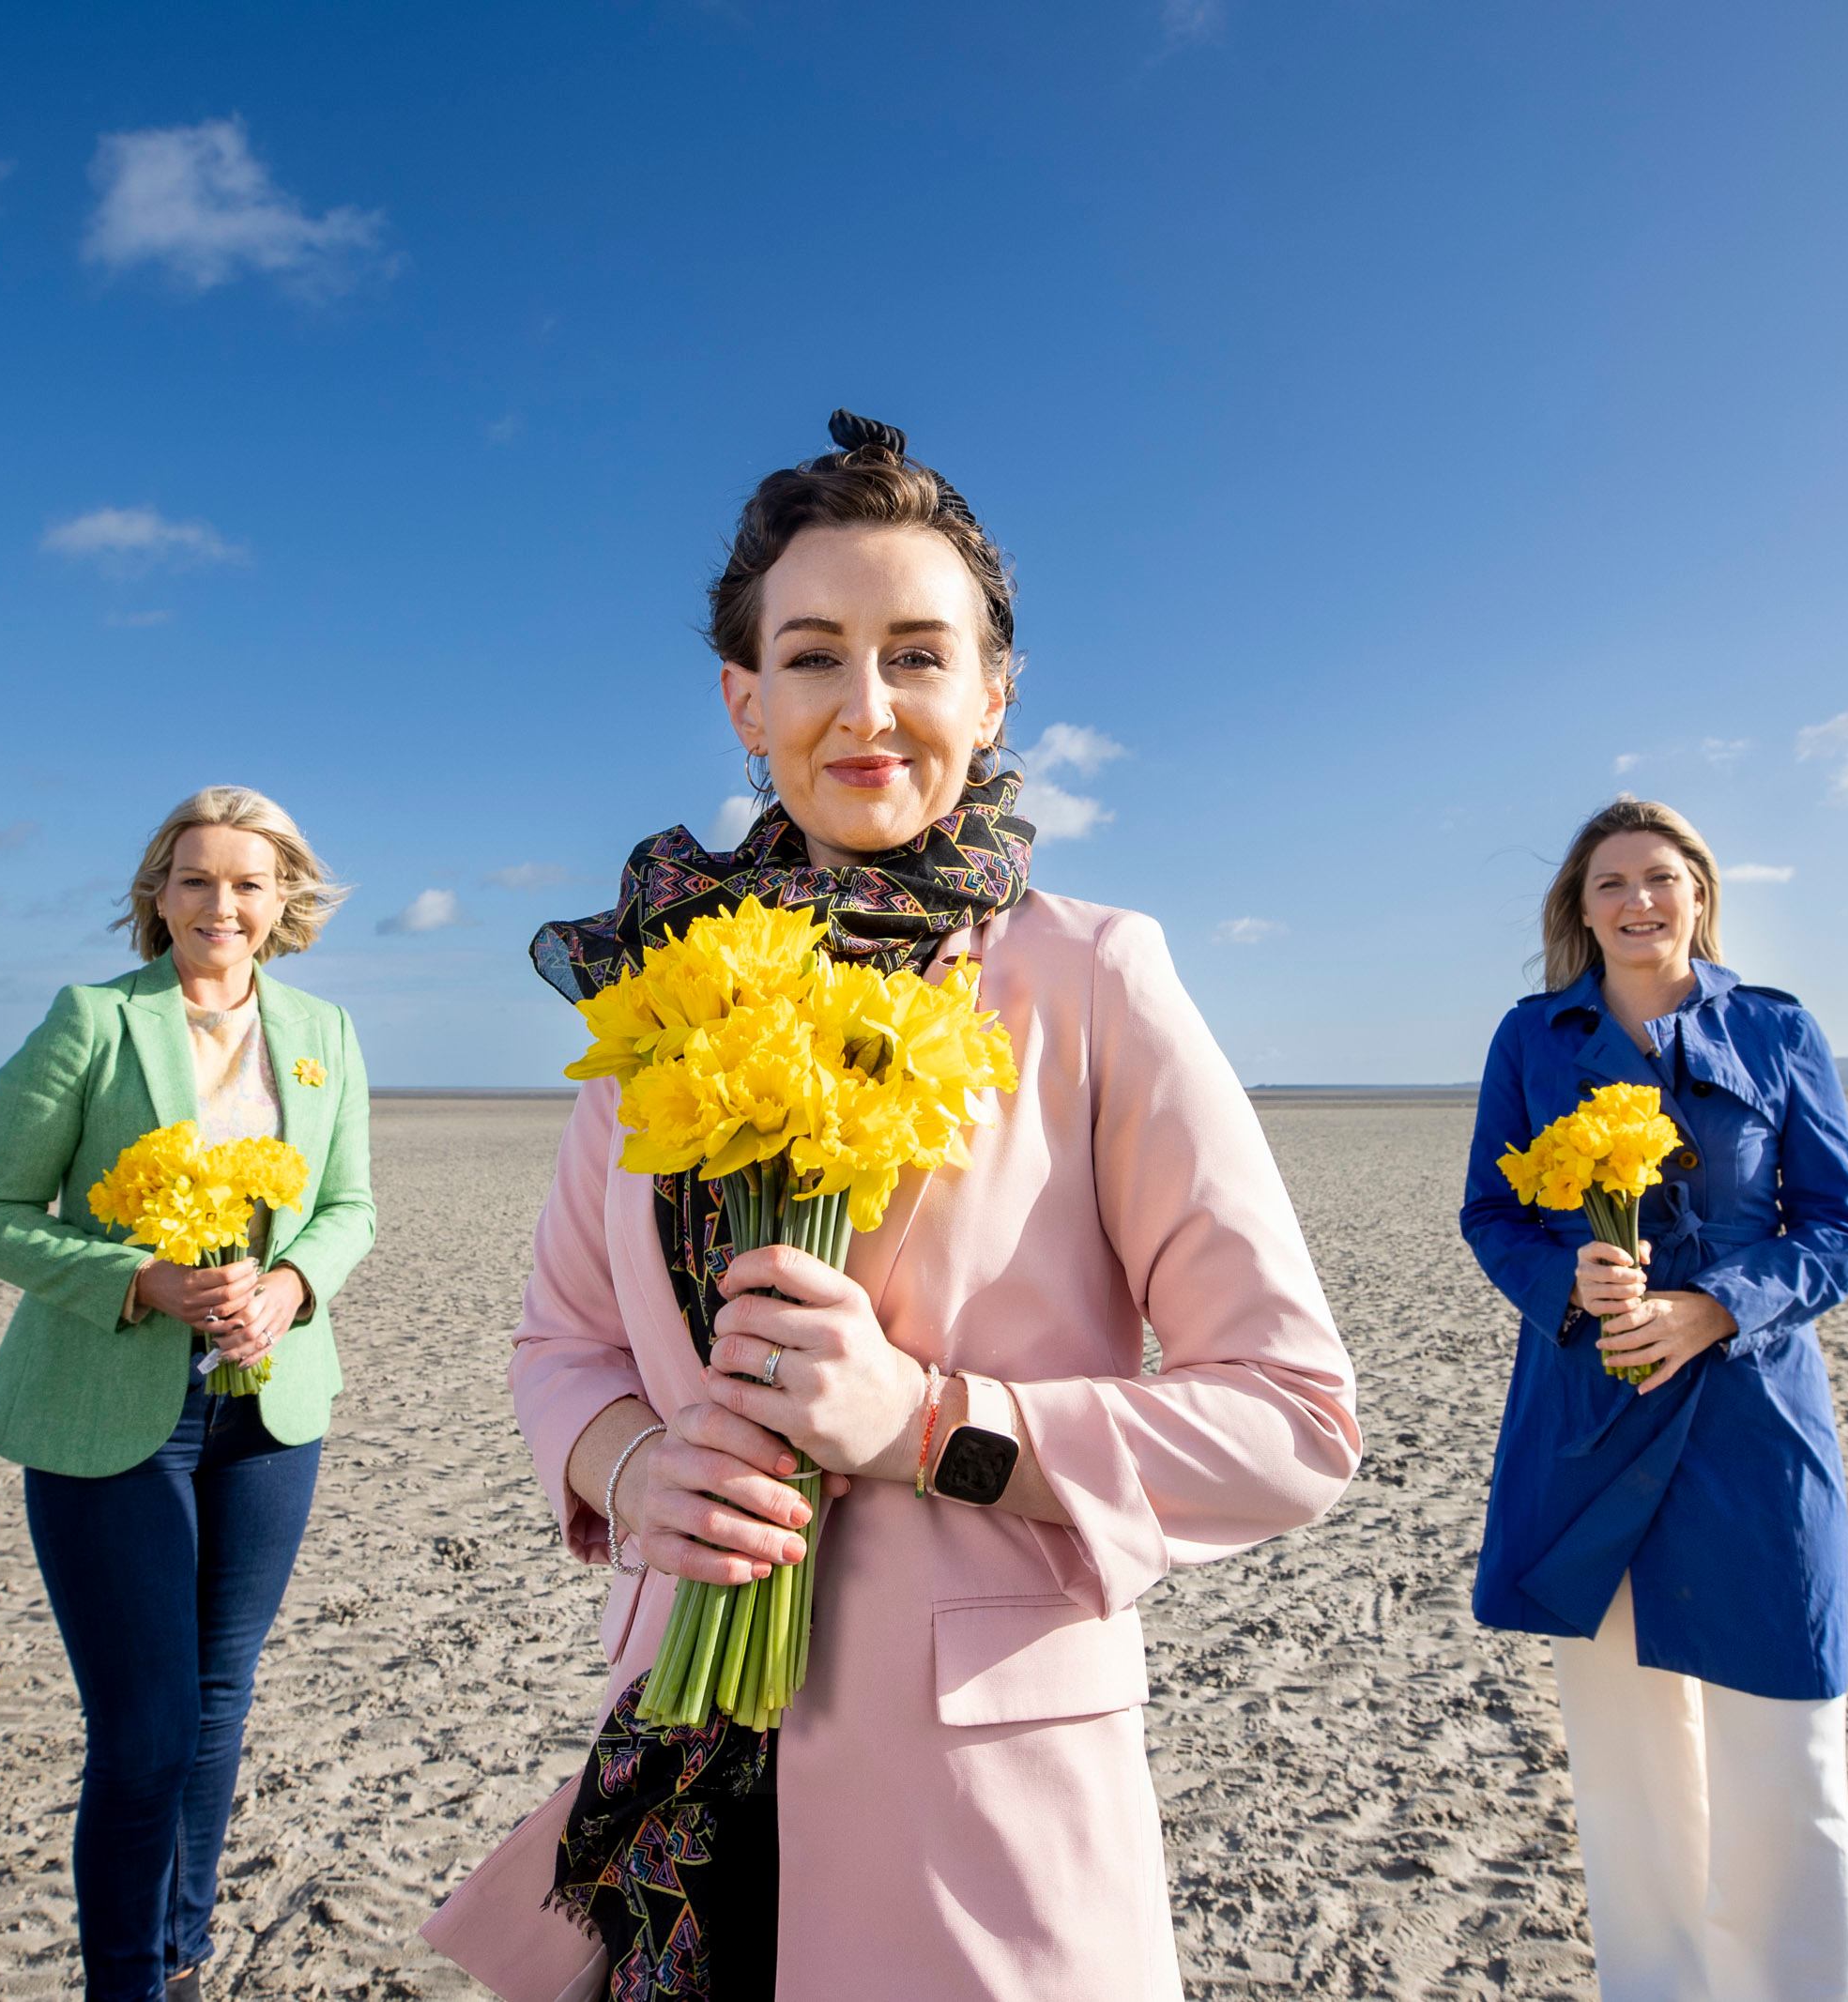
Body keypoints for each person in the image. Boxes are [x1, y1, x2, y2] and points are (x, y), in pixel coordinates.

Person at [421, 412, 1361, 2001]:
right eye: (813, 656)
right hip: (689, 1767)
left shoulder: (1091, 975)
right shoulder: (661, 985)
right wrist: (637, 1465)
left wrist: (932, 1424)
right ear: (746, 701)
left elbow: (1292, 1418)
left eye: (918, 655)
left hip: (979, 1796)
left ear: (993, 695)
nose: (867, 709)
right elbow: (561, 1343)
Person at [0, 786, 376, 2002]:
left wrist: (291, 1288)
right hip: (110, 1414)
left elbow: (350, 1206)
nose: (222, 905)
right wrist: (141, 1280)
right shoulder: (92, 1022)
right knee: (143, 1731)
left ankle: (184, 1956)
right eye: (197, 880)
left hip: (270, 1413)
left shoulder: (325, 1032)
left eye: (249, 882)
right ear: (157, 894)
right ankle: (126, 1984)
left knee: (217, 1702)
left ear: (284, 898)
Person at [1459, 796, 1848, 2001]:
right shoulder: (1532, 1037)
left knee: (1782, 1748)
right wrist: (1567, 1278)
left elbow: (1835, 1231)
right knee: (1629, 1768)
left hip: (1753, 1423)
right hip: (1589, 1420)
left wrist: (1716, 1308)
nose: (1636, 902)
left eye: (1659, 877)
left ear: (1698, 892)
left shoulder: (1778, 1028)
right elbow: (1491, 1213)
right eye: (1608, 884)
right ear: (1579, 911)